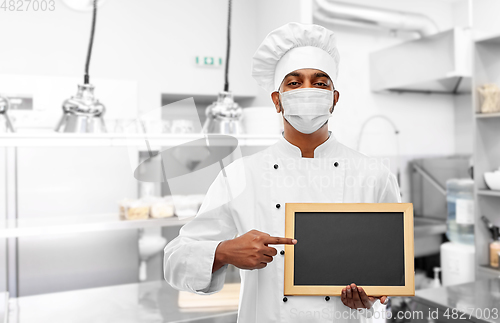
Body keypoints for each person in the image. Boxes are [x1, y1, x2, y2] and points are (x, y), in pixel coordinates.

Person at [164, 22, 401, 323]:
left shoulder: (374, 176)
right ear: (277, 100)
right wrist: (223, 251)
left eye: (319, 82)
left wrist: (371, 298)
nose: (307, 90)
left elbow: (387, 268)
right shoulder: (240, 175)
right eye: (293, 82)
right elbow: (174, 260)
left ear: (334, 98)